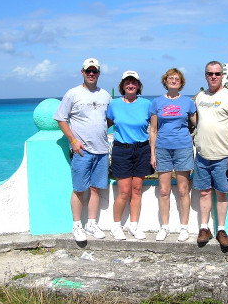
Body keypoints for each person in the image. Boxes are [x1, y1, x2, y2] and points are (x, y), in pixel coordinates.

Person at [54, 58, 112, 243]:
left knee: (96, 189)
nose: (91, 73)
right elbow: (61, 118)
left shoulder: (105, 95)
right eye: (88, 71)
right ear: (82, 72)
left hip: (102, 150)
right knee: (79, 189)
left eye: (95, 71)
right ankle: (77, 225)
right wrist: (73, 140)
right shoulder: (73, 93)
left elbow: (109, 119)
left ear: (99, 73)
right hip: (82, 151)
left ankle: (91, 223)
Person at [193, 60, 228, 249]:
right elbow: (195, 121)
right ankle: (204, 228)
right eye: (210, 73)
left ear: (222, 75)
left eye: (217, 73)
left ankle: (221, 230)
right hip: (202, 155)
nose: (213, 76)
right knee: (204, 192)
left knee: (222, 193)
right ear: (205, 75)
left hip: (223, 155)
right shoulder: (199, 97)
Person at [149, 68, 197, 242]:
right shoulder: (156, 102)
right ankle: (165, 227)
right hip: (162, 148)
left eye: (177, 79)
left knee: (183, 189)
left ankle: (184, 227)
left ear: (181, 82)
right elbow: (153, 129)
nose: (174, 81)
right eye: (171, 78)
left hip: (183, 148)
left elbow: (196, 124)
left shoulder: (188, 103)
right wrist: (152, 153)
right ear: (165, 81)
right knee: (163, 190)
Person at [107, 71, 154, 240]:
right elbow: (105, 124)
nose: (131, 85)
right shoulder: (114, 104)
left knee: (137, 190)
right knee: (124, 191)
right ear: (122, 85)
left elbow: (155, 127)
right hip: (121, 150)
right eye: (127, 82)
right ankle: (116, 226)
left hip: (142, 149)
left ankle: (134, 226)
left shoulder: (147, 104)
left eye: (134, 82)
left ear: (138, 85)